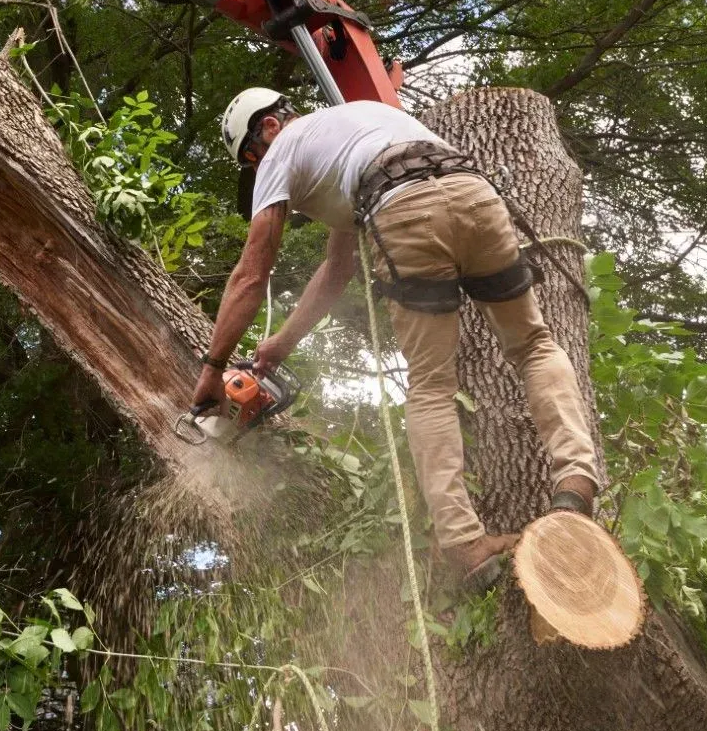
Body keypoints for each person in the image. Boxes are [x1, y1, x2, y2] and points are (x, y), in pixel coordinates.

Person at [191, 88, 600, 588]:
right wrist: (281, 344)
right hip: (475, 193)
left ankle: (465, 545)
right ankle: (577, 481)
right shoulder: (358, 126)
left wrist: (212, 370)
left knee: (430, 383)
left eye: (252, 160)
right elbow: (338, 269)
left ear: (269, 127)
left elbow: (252, 274)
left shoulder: (283, 148)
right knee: (534, 344)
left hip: (404, 209)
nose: (258, 172)